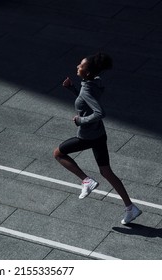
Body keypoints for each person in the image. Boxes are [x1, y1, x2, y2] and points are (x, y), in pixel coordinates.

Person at [53, 52, 142, 225]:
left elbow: (99, 112)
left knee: (58, 153)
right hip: (100, 134)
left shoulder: (87, 88)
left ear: (86, 73)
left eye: (81, 66)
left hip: (89, 136)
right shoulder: (94, 82)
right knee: (106, 171)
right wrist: (72, 89)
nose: (77, 67)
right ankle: (131, 208)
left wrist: (80, 121)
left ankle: (87, 181)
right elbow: (86, 99)